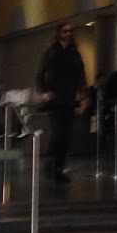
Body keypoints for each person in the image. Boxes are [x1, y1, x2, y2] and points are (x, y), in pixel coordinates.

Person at [36, 22, 85, 181]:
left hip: (69, 97)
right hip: (55, 97)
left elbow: (80, 76)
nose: (68, 34)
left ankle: (59, 164)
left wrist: (82, 95)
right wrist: (44, 91)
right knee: (59, 132)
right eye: (65, 31)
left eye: (70, 31)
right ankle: (55, 163)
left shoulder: (74, 53)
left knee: (66, 133)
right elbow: (41, 74)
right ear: (59, 33)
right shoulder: (51, 52)